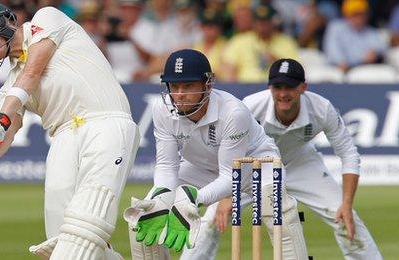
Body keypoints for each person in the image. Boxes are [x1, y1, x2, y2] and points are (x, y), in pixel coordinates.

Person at [0, 2, 139, 259]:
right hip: (62, 137)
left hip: (105, 122)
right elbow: (8, 131)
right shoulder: (10, 86)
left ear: (4, 21)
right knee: (60, 239)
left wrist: (1, 117)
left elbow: (33, 71)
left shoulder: (47, 19)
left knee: (86, 225)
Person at [124, 49, 308, 260]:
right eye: (174, 86)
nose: (180, 94)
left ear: (208, 84)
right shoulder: (163, 110)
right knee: (145, 214)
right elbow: (167, 165)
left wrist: (194, 198)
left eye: (188, 86)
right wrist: (161, 200)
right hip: (199, 167)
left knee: (277, 210)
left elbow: (231, 176)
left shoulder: (232, 112)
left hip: (254, 165)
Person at [239, 58, 381, 259]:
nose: (283, 94)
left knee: (345, 218)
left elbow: (349, 154)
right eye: (277, 87)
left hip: (300, 162)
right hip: (257, 168)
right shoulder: (249, 106)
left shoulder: (321, 108)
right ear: (269, 87)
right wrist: (229, 196)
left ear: (303, 87)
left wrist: (347, 204)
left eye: (289, 87)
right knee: (211, 220)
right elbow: (230, 149)